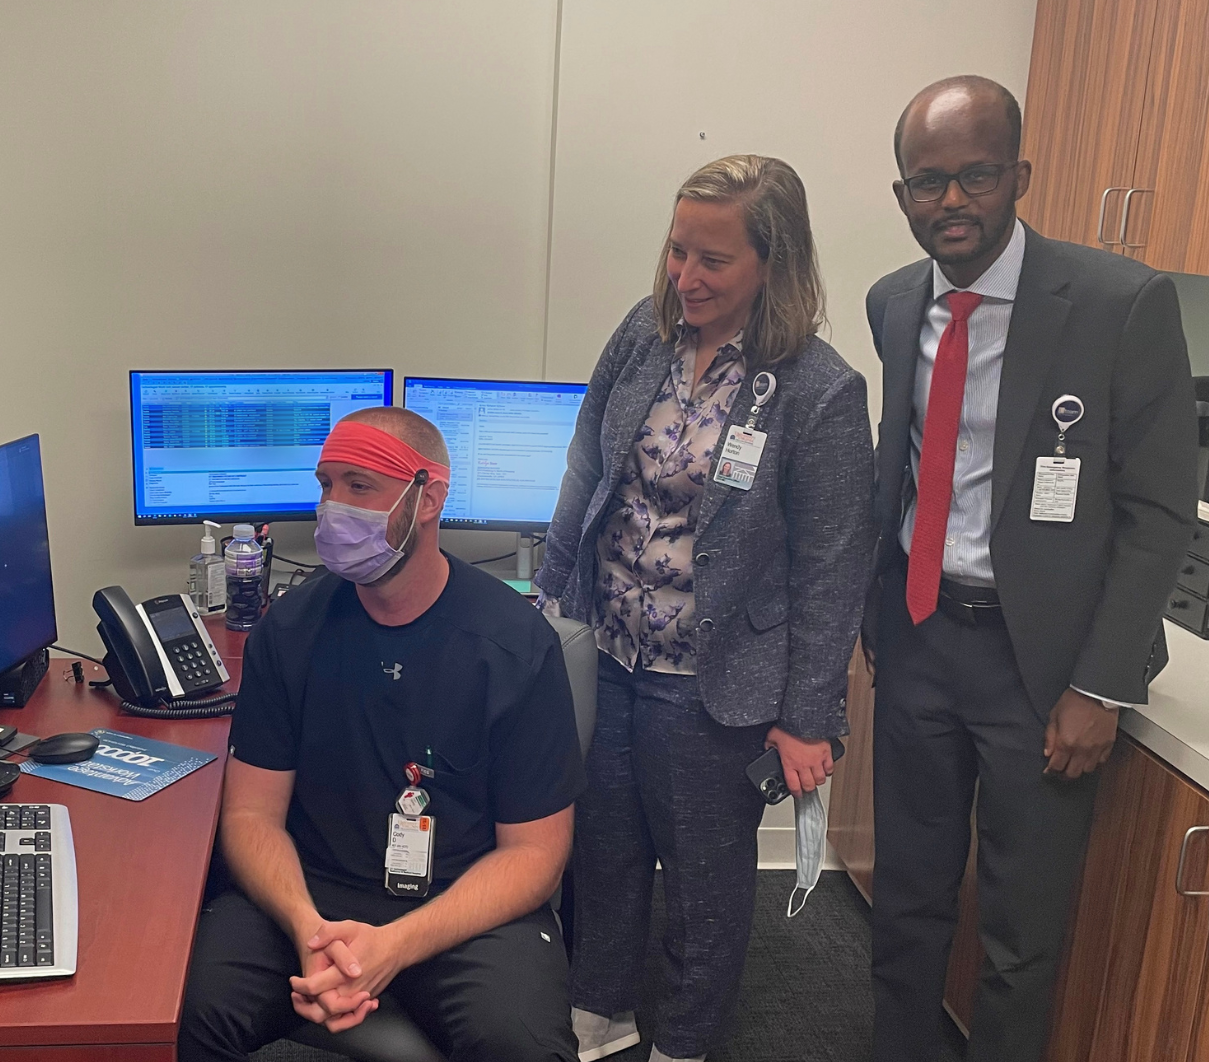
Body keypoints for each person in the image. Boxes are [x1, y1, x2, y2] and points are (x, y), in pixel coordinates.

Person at [866, 76, 1199, 1062]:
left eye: (975, 175)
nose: (952, 202)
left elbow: (1157, 512)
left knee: (1019, 935)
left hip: (1042, 669)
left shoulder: (1116, 302)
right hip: (921, 644)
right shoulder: (894, 303)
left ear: (1019, 174)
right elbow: (902, 471)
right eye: (928, 183)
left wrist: (1098, 684)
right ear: (902, 195)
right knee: (909, 905)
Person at [536, 155, 875, 1062]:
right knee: (602, 850)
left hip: (715, 679)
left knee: (702, 881)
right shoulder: (640, 339)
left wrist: (809, 719)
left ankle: (684, 1041)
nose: (685, 276)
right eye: (677, 250)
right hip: (609, 651)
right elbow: (586, 467)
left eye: (712, 260)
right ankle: (598, 1011)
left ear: (775, 263)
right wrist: (550, 596)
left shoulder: (818, 389)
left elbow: (834, 569)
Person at [178, 407, 586, 1062]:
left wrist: (392, 948)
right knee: (169, 1015)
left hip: (459, 906)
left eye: (359, 486)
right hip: (305, 895)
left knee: (526, 1047)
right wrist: (308, 930)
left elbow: (535, 855)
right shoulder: (290, 632)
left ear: (428, 497)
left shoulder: (512, 644)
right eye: (325, 484)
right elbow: (251, 814)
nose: (333, 508)